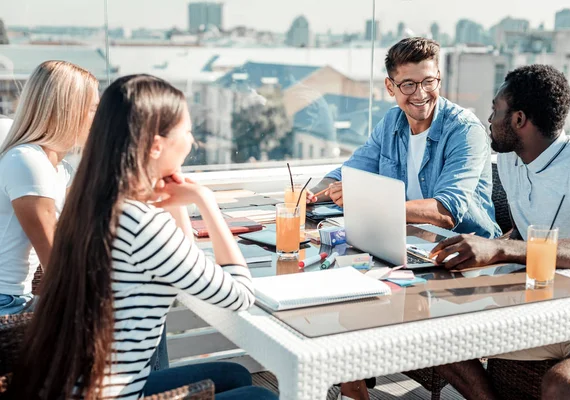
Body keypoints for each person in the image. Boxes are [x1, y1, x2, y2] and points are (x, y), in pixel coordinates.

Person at [9, 75, 277, 400]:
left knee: (233, 375)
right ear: (156, 145)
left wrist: (176, 203)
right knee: (261, 397)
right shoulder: (142, 224)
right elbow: (240, 296)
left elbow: (182, 260)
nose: (192, 142)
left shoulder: (93, 203)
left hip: (72, 388)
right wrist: (205, 202)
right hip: (114, 395)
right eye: (188, 132)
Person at [432, 64, 570, 399]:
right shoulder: (509, 159)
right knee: (430, 332)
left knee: (565, 387)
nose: (489, 119)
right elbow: (523, 232)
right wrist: (485, 248)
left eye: (495, 110)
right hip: (536, 305)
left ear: (519, 120)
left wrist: (501, 251)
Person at [310, 37, 500, 239]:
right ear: (390, 87)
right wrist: (311, 195)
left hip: (468, 253)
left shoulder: (465, 130)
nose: (420, 94)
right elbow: (350, 171)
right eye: (408, 84)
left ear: (439, 78)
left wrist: (369, 201)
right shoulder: (392, 121)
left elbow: (446, 212)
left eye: (428, 82)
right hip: (409, 240)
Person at [0, 60, 99, 316]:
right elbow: (56, 260)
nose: (99, 118)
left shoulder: (59, 169)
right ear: (68, 110)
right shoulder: (27, 161)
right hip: (7, 303)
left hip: (17, 298)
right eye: (93, 109)